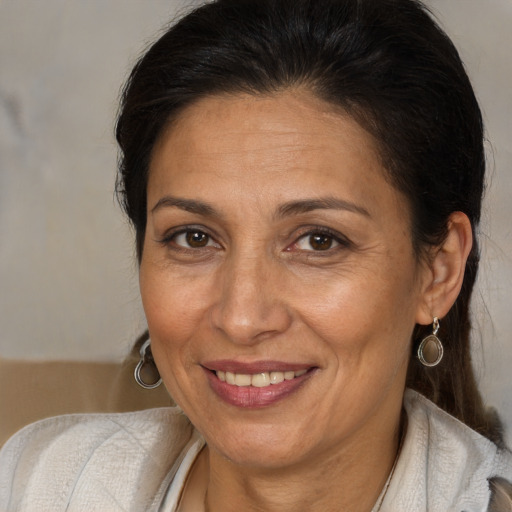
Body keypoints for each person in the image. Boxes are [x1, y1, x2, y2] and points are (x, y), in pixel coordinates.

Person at [1, 0, 511, 510]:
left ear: (439, 272)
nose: (242, 318)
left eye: (318, 240)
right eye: (194, 238)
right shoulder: (44, 483)